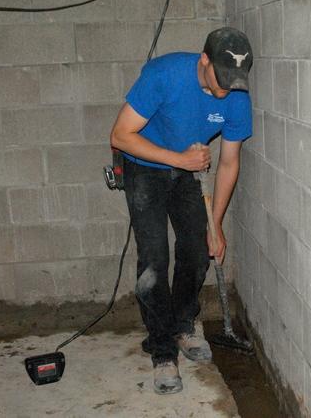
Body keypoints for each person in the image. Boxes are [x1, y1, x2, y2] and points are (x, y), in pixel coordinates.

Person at [109, 27, 253, 395]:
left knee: (196, 247)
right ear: (204, 60)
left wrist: (216, 225)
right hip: (145, 163)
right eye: (220, 80)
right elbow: (120, 135)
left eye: (232, 83)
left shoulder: (236, 93)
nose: (225, 91)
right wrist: (179, 159)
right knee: (155, 257)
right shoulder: (165, 75)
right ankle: (162, 350)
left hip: (188, 166)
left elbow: (228, 163)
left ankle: (184, 325)